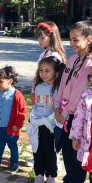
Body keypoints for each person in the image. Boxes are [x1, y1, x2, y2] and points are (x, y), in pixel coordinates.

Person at [51, 19, 92, 183]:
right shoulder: (72, 59)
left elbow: (82, 91)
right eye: (71, 39)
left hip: (79, 115)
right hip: (64, 112)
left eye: (76, 40)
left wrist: (67, 111)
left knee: (76, 151)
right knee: (65, 149)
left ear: (89, 39)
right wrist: (57, 105)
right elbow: (63, 84)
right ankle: (69, 180)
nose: (72, 43)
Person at [25, 21, 67, 167]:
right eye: (38, 38)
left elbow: (58, 79)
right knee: (38, 127)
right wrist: (34, 90)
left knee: (49, 127)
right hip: (41, 93)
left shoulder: (55, 55)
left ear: (52, 36)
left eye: (42, 38)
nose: (39, 41)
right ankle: (39, 154)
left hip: (50, 96)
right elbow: (39, 73)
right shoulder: (45, 52)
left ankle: (51, 158)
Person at [28, 56, 64, 183]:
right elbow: (37, 106)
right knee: (37, 150)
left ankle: (51, 175)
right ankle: (38, 174)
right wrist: (34, 117)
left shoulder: (59, 89)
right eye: (41, 70)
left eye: (47, 70)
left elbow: (57, 108)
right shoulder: (38, 87)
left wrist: (47, 120)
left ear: (56, 72)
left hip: (51, 126)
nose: (43, 74)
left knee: (50, 151)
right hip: (38, 125)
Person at [0, 66, 27, 173]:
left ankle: (14, 163)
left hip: (11, 128)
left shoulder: (17, 95)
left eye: (1, 81)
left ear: (10, 81)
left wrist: (17, 125)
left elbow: (22, 112)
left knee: (12, 146)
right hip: (0, 126)